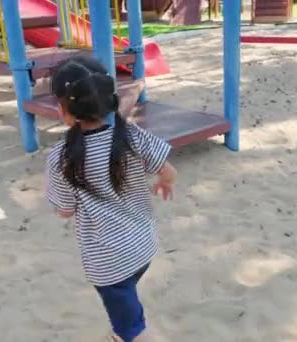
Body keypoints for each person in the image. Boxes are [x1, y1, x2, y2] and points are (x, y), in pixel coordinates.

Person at [45, 56, 176, 342]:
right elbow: (168, 170)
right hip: (143, 246)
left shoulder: (60, 157)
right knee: (126, 307)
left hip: (107, 264)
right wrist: (164, 182)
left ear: (66, 110)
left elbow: (65, 211)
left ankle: (126, 334)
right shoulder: (131, 134)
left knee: (133, 326)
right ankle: (120, 334)